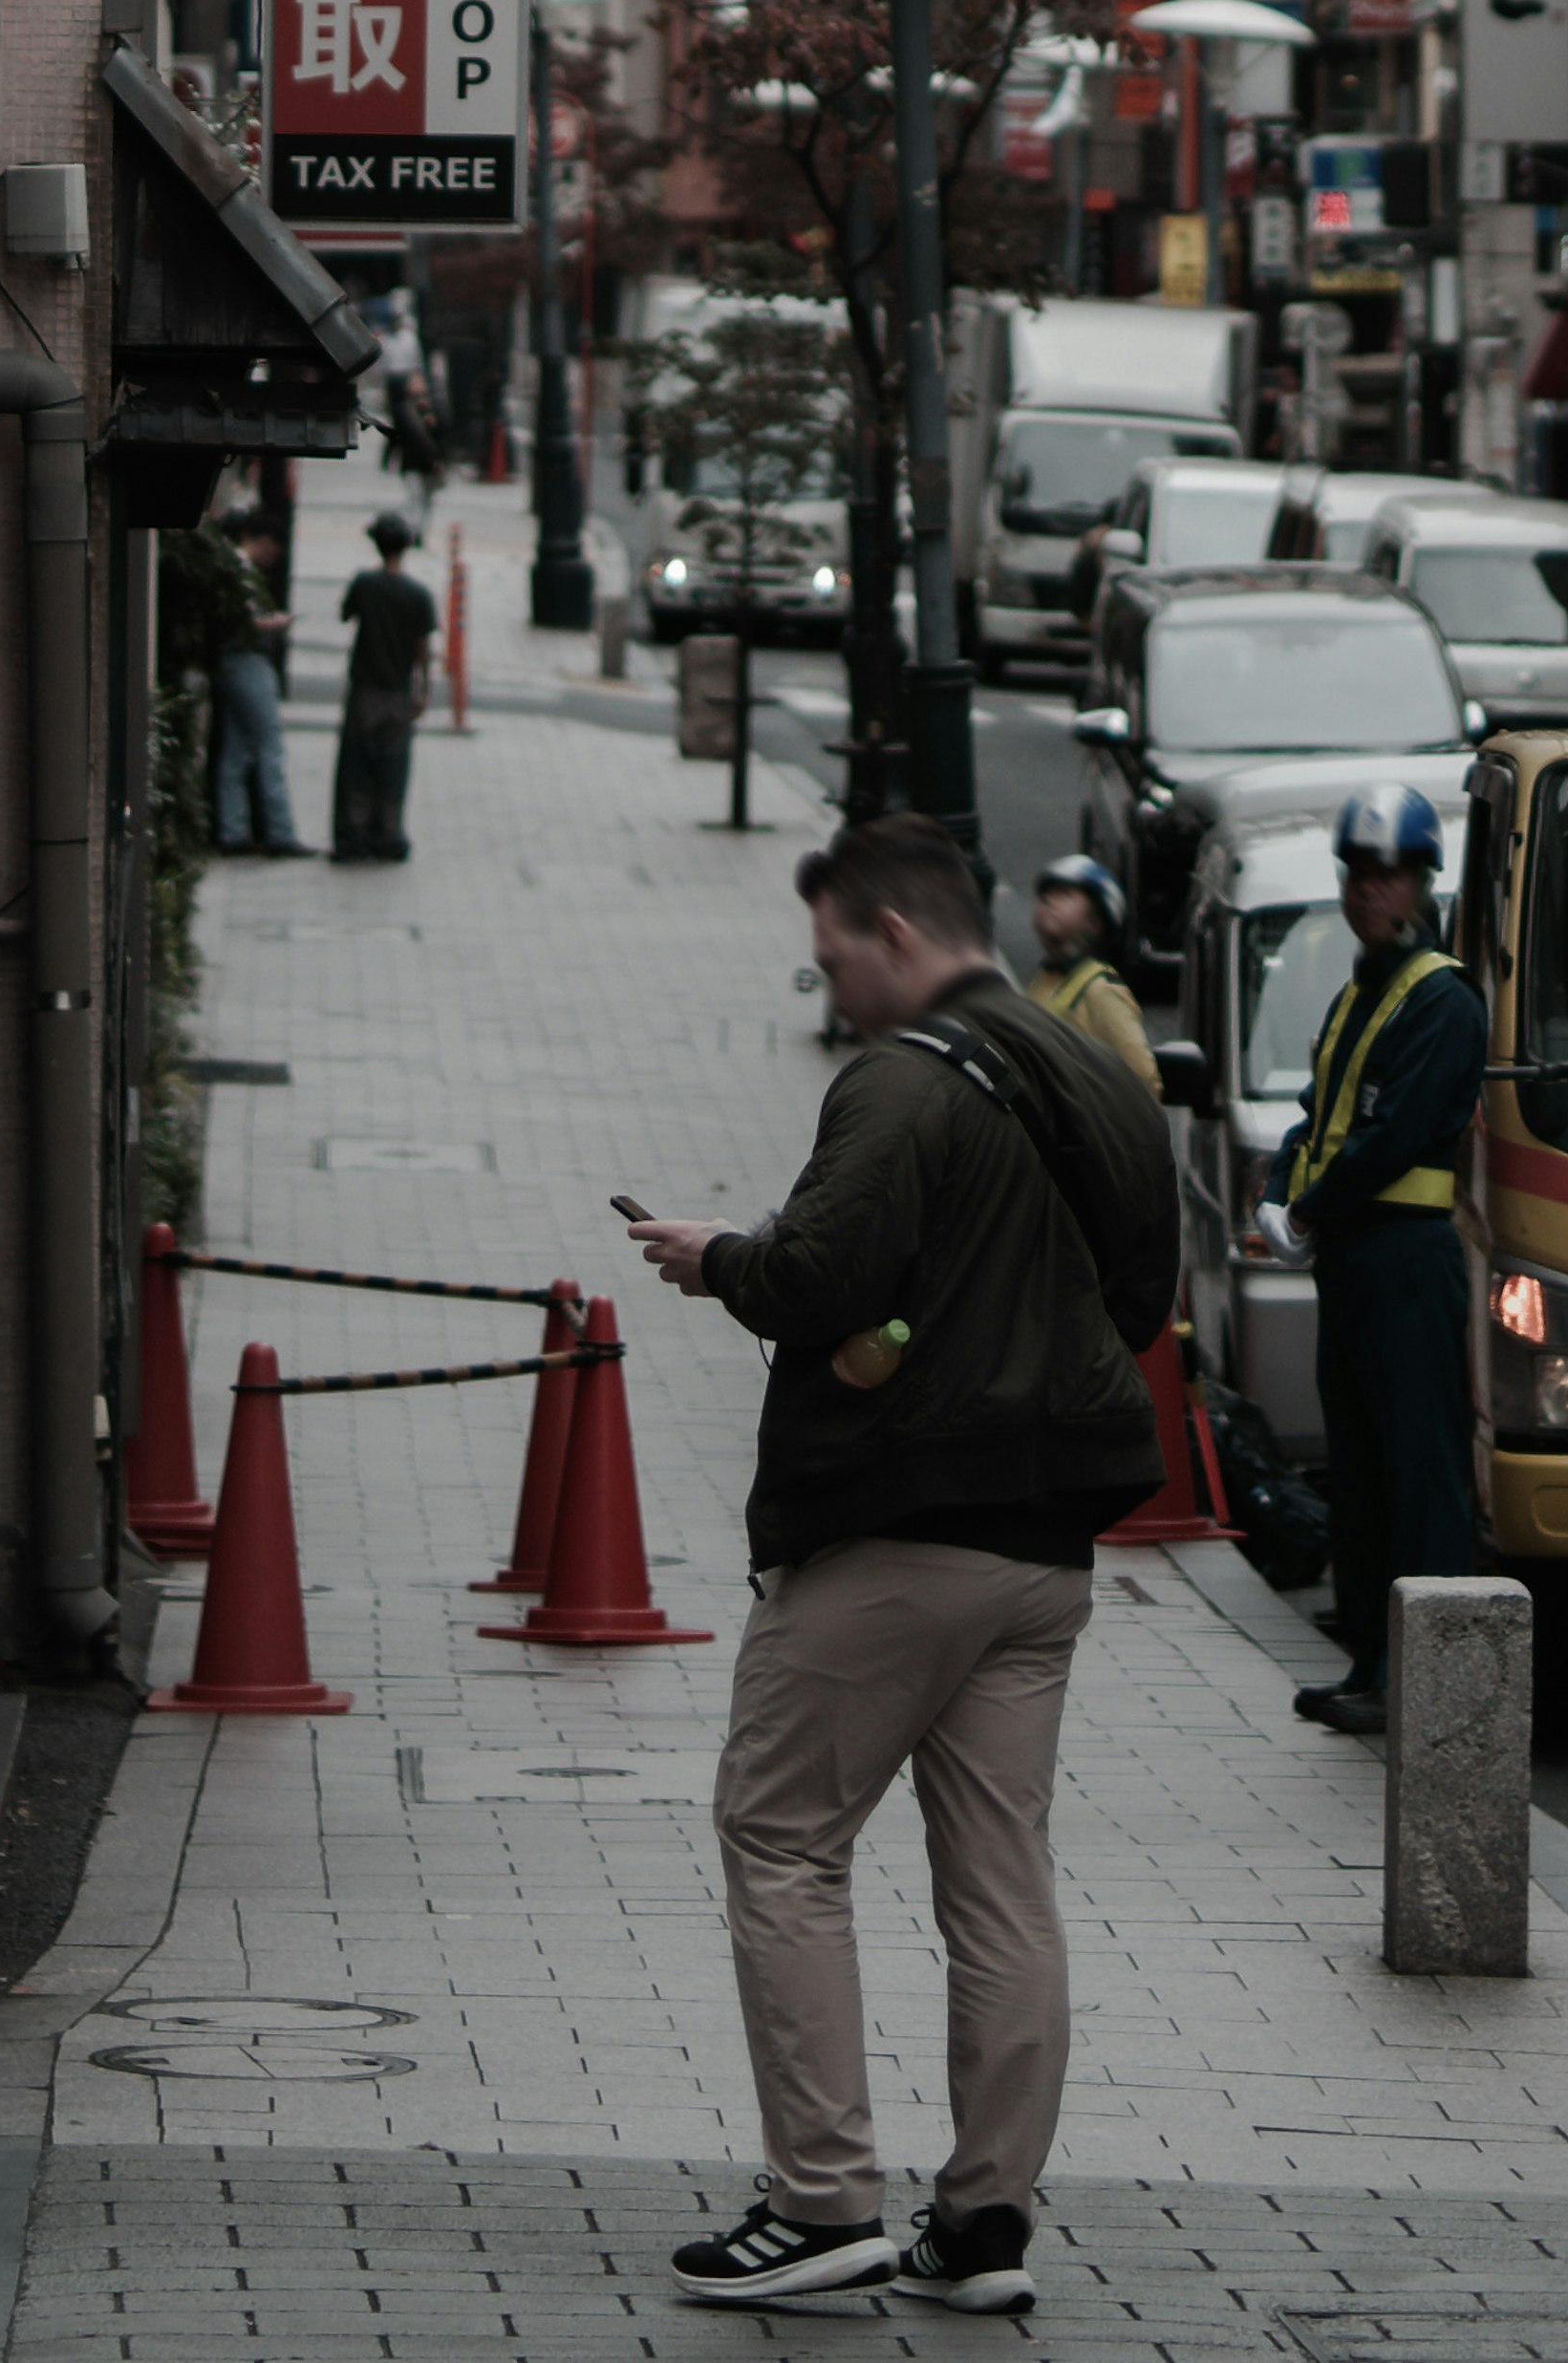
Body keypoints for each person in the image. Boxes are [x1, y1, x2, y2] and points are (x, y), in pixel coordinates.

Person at [633, 809, 1179, 2316]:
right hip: (1048, 1546)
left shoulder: (898, 1076)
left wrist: (719, 1259)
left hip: (894, 1531)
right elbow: (1139, 1289)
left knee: (781, 1834)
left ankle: (820, 2203)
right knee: (1001, 1884)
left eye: (831, 959)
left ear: (891, 933)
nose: (830, 994)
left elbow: (820, 1271)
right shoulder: (1098, 1070)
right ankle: (983, 2222)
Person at [1259, 784, 1485, 1746]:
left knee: (1418, 1466)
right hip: (1352, 1257)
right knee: (1357, 1465)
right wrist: (1279, 1190)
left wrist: (1305, 1207)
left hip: (1402, 1257)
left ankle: (1420, 1673)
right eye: (1355, 871)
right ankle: (1369, 1655)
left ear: (1422, 881)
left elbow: (1389, 1141)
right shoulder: (1364, 990)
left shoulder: (1441, 997)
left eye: (1384, 873)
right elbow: (1322, 1113)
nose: (1365, 889)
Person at [328, 515, 439, 865]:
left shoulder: (365, 584)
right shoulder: (419, 595)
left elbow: (345, 615)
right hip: (398, 691)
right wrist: (422, 690)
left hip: (365, 689)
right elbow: (424, 648)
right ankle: (387, 834)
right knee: (392, 768)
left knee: (357, 765)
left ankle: (353, 835)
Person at [210, 504, 299, 858]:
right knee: (268, 746)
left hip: (227, 663)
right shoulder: (240, 570)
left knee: (234, 751)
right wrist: (276, 623)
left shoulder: (227, 565)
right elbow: (247, 621)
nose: (274, 555)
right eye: (272, 546)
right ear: (256, 539)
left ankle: (233, 832)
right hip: (248, 660)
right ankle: (280, 833)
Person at [1025, 859, 1157, 1096]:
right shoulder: (1044, 980)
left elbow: (1143, 1081)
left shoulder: (1101, 990)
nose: (1049, 901)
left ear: (1095, 923)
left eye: (1063, 895)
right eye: (1045, 895)